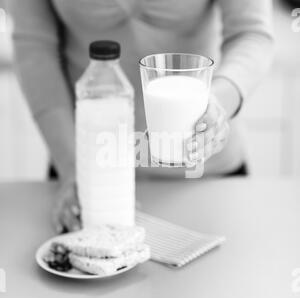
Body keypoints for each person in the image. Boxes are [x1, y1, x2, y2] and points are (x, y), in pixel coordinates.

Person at [7, 0, 274, 233]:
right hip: (87, 166)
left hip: (205, 175)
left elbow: (250, 33)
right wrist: (73, 168)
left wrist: (218, 104)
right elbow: (35, 47)